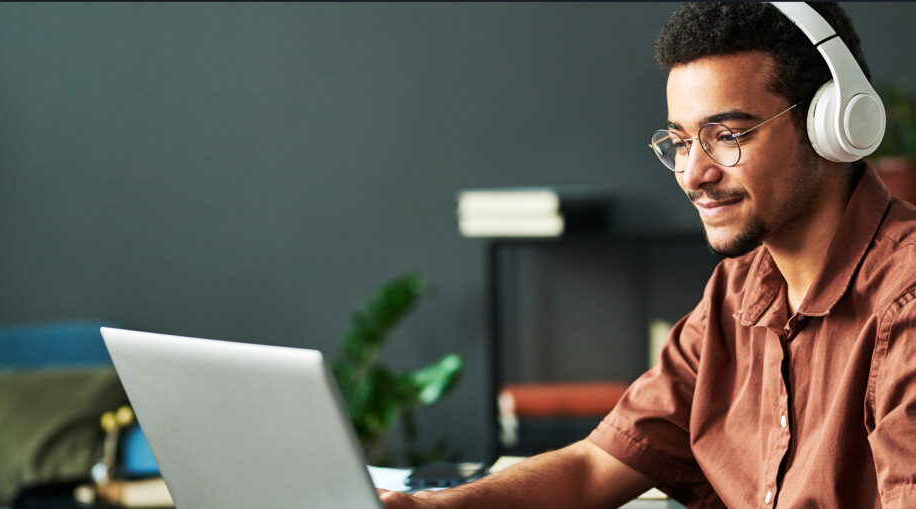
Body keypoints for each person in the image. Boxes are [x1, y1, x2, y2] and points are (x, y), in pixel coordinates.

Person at [381, 3, 916, 508]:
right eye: (680, 142)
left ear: (837, 126)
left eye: (727, 135)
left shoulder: (905, 305)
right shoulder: (737, 292)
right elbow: (597, 465)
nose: (693, 174)